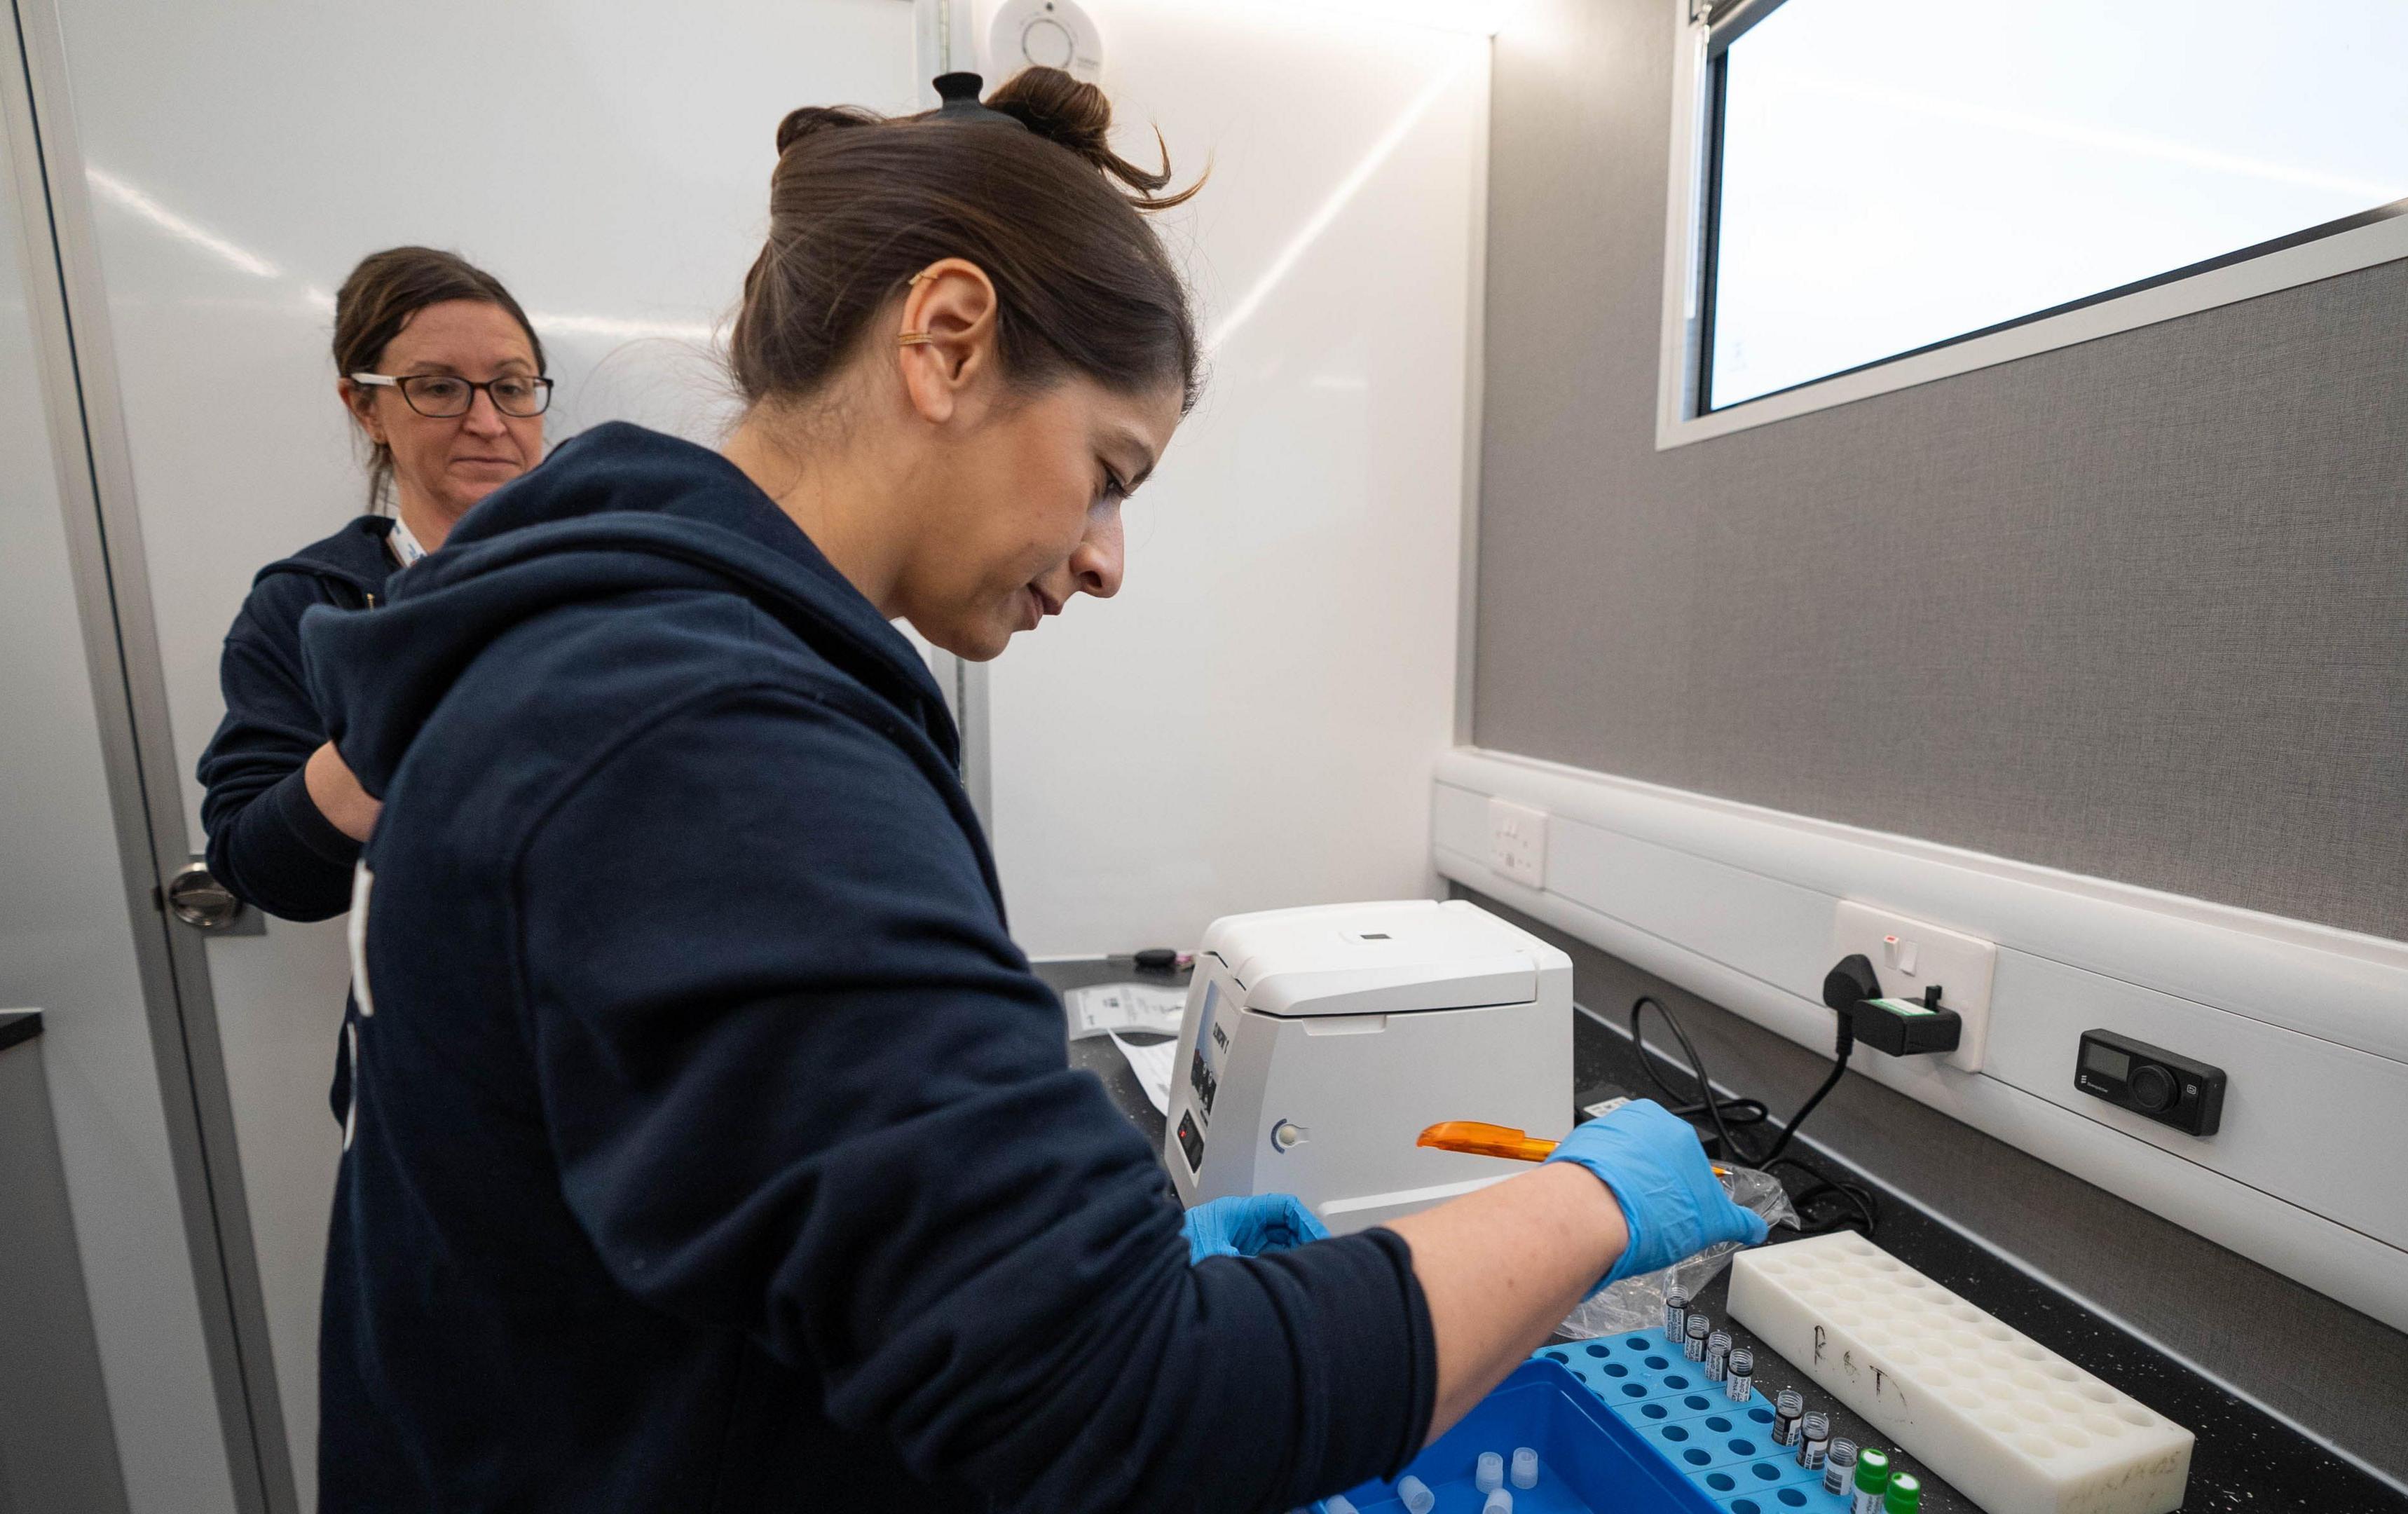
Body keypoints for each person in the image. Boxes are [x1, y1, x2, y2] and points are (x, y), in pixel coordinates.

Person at [301, 69, 1765, 1513]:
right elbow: (1140, 1416)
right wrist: (1590, 1201)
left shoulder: (602, 655)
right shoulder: (708, 737)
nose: (1109, 556)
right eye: (1109, 470)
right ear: (945, 341)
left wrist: (1053, 1262)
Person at [195, 246, 548, 1120]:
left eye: (511, 385)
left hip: (641, 1040)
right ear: (367, 408)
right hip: (439, 1068)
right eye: (437, 386)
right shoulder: (311, 605)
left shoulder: (632, 565)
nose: (487, 420)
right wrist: (397, 733)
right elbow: (259, 863)